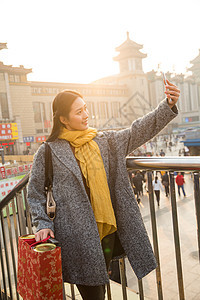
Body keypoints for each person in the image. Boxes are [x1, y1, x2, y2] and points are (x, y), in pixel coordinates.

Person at [27, 79, 180, 300]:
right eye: (79, 112)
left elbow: (138, 130)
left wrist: (168, 105)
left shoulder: (104, 141)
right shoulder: (48, 151)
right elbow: (35, 192)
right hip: (75, 239)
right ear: (63, 119)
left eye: (86, 108)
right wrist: (41, 223)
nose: (86, 114)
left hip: (107, 232)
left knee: (101, 285)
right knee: (94, 292)